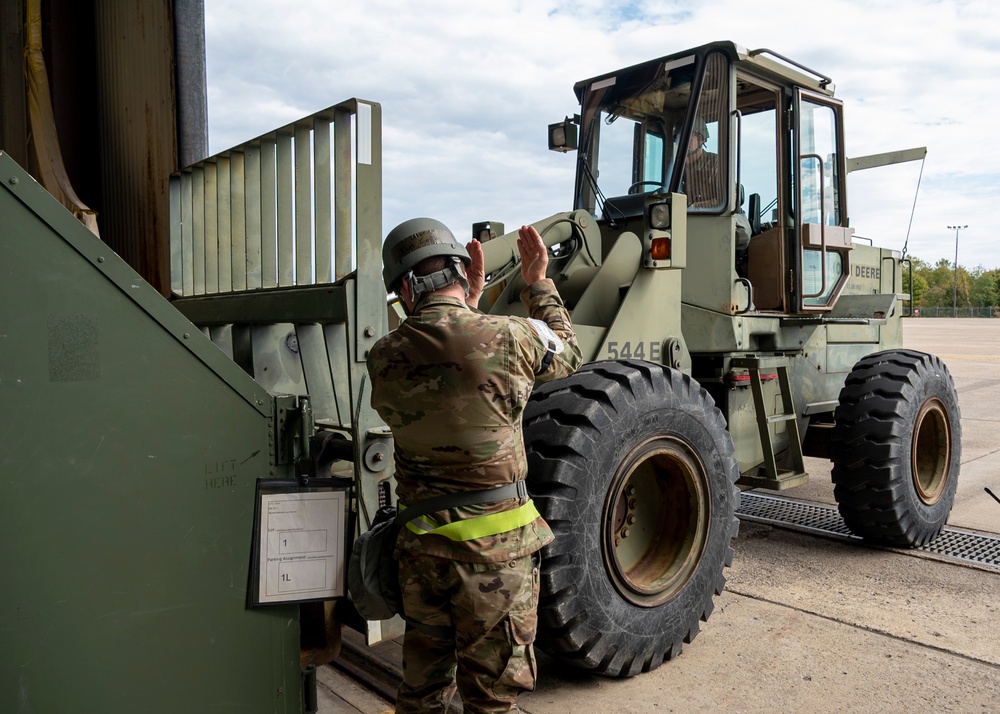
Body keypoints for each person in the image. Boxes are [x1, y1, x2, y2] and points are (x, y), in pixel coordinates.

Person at [367, 217, 582, 713]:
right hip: (496, 562)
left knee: (421, 694)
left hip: (421, 557)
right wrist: (538, 283)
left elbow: (448, 356)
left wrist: (467, 306)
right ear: (463, 271)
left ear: (402, 287)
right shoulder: (511, 338)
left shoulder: (383, 357)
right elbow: (567, 351)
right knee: (491, 702)